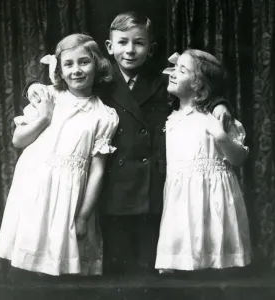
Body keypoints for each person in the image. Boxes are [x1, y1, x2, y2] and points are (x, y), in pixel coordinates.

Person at [25, 12, 232, 275]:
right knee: (116, 268)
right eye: (122, 42)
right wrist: (33, 87)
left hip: (152, 186)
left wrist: (219, 103)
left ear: (151, 48)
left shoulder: (163, 82)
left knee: (149, 267)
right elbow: (59, 85)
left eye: (139, 43)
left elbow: (200, 90)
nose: (130, 50)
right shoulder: (97, 79)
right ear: (110, 47)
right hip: (111, 186)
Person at [0, 34, 119, 276]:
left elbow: (97, 170)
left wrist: (83, 215)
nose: (77, 70)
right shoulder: (49, 96)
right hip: (35, 184)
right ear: (60, 71)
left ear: (97, 64)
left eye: (84, 62)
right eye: (68, 64)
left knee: (62, 256)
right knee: (31, 251)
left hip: (70, 190)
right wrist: (43, 117)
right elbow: (18, 140)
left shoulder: (105, 115)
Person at [155, 50, 252, 272]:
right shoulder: (169, 119)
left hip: (215, 198)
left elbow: (238, 159)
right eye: (175, 67)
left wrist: (221, 136)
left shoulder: (217, 118)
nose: (172, 73)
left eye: (182, 70)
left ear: (199, 84)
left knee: (216, 260)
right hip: (180, 198)